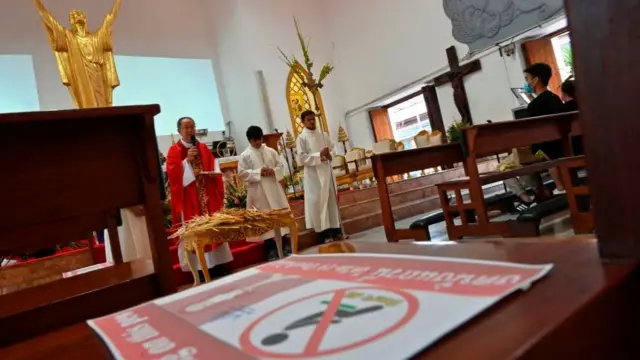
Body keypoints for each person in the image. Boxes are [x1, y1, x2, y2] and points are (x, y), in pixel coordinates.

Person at [167, 116, 233, 281]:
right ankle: (199, 268)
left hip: (207, 195)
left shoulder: (202, 147)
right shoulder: (174, 151)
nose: (190, 131)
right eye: (186, 128)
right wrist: (187, 162)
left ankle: (218, 264)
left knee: (212, 229)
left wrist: (213, 173)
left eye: (192, 127)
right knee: (196, 231)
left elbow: (213, 164)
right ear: (179, 131)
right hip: (189, 198)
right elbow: (173, 176)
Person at [238, 126, 291, 261]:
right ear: (249, 140)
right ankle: (270, 248)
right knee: (264, 221)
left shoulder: (271, 151)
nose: (257, 143)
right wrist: (258, 172)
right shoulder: (245, 155)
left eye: (259, 139)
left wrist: (273, 171)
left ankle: (285, 244)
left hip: (273, 188)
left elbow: (281, 166)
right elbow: (242, 173)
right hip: (258, 191)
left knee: (279, 215)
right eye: (254, 140)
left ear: (262, 138)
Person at [296, 110, 344, 243]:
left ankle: (336, 229)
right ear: (303, 122)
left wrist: (330, 155)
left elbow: (333, 149)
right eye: (309, 120)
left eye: (313, 119)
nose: (312, 122)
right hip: (313, 175)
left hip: (326, 171)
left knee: (330, 200)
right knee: (317, 202)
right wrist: (319, 155)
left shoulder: (323, 135)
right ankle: (324, 233)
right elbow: (301, 158)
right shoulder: (301, 138)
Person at [524, 63, 566, 193]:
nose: (526, 83)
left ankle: (548, 190)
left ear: (536, 80)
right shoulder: (555, 98)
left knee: (523, 158)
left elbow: (532, 130)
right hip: (561, 142)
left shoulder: (534, 106)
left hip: (546, 147)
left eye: (527, 79)